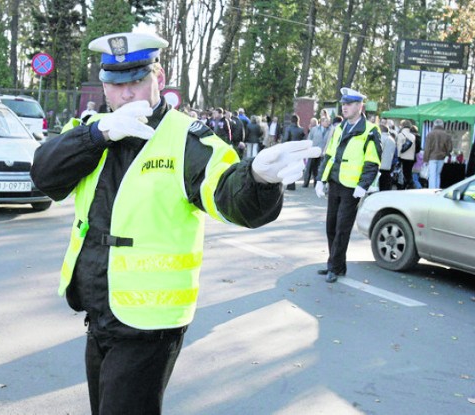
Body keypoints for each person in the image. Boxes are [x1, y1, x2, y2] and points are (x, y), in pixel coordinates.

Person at [29, 31, 320, 415]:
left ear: (159, 79)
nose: (127, 94)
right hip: (100, 311)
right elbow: (45, 174)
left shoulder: (186, 138)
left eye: (137, 81)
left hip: (150, 323)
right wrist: (96, 135)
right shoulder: (92, 128)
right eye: (117, 85)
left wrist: (257, 179)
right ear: (104, 85)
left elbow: (226, 193)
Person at [315, 87, 381, 283]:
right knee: (331, 226)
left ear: (360, 106)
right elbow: (329, 155)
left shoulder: (370, 130)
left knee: (342, 228)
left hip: (352, 187)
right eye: (343, 104)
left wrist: (363, 185)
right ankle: (336, 264)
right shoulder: (340, 128)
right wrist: (320, 179)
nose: (344, 107)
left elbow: (372, 161)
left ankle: (334, 267)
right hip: (335, 182)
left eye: (349, 104)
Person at [423, 119, 453, 189]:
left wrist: (425, 159)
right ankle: (437, 190)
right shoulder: (447, 135)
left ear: (434, 125)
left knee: (432, 175)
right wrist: (446, 153)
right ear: (442, 125)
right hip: (441, 157)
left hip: (432, 157)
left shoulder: (430, 134)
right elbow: (450, 148)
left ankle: (431, 191)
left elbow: (427, 148)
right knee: (437, 175)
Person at [303, 116, 330, 188]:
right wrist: (308, 148)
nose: (328, 123)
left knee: (318, 169)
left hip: (322, 153)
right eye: (326, 121)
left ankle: (316, 182)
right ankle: (306, 182)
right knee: (309, 168)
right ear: (321, 122)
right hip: (313, 151)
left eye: (328, 121)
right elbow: (309, 138)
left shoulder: (330, 130)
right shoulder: (314, 129)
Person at [282, 114, 306, 190]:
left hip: (290, 150)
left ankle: (290, 184)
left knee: (290, 167)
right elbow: (304, 140)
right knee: (295, 167)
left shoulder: (288, 128)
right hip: (298, 150)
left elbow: (285, 139)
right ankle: (293, 183)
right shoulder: (301, 129)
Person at [395, 119, 416, 189]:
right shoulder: (413, 136)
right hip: (411, 158)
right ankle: (409, 185)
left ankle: (403, 186)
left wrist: (397, 158)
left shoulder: (400, 135)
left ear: (402, 126)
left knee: (402, 174)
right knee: (409, 173)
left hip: (402, 157)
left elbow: (399, 147)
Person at [378, 125, 396, 191]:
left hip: (380, 165)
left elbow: (378, 150)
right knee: (385, 185)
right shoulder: (392, 139)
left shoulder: (381, 138)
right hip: (388, 166)